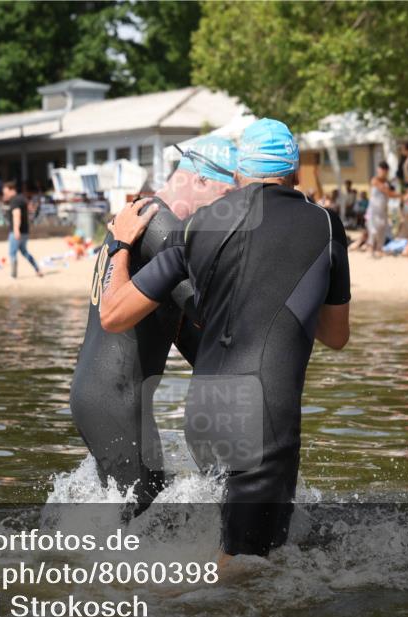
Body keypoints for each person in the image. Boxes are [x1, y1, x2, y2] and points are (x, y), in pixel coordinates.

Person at [99, 119, 351, 561]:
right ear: (295, 174)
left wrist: (121, 245)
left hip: (206, 416)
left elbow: (114, 315)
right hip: (264, 418)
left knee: (229, 549)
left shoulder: (198, 225)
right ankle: (147, 602)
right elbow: (336, 335)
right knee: (246, 575)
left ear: (238, 175)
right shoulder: (324, 224)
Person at [70, 136, 239, 512]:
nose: (230, 207)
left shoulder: (141, 214)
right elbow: (202, 311)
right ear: (199, 181)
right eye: (228, 194)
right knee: (138, 521)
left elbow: (173, 321)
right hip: (114, 396)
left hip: (107, 392)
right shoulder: (160, 225)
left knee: (147, 510)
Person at [3, 181, 42, 279]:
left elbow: (17, 214)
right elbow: (30, 209)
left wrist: (16, 230)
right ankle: (37, 269)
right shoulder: (22, 198)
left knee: (12, 253)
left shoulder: (15, 201)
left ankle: (13, 275)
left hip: (17, 231)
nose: (5, 194)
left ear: (12, 190)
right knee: (24, 252)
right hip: (25, 231)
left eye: (6, 192)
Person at [366, 161, 400, 257]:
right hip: (373, 210)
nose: (381, 172)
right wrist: (402, 196)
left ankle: (379, 249)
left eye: (383, 171)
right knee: (373, 230)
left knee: (382, 229)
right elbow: (388, 192)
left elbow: (392, 192)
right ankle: (370, 249)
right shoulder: (374, 180)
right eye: (380, 170)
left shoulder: (387, 182)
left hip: (383, 210)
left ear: (386, 171)